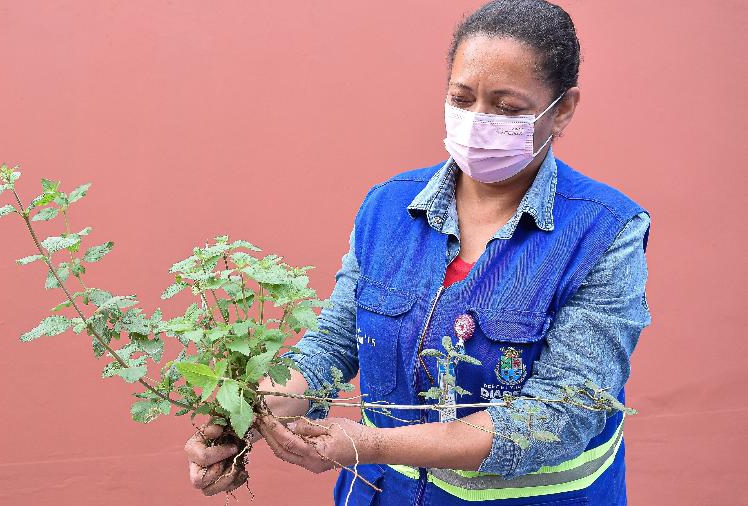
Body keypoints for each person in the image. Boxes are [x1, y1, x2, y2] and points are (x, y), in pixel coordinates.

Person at [184, 0, 651, 503]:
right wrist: (245, 416)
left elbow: (559, 417)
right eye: (462, 97)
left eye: (507, 108)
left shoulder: (603, 232)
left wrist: (372, 443)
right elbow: (332, 345)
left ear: (563, 109)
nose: (478, 120)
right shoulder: (389, 209)